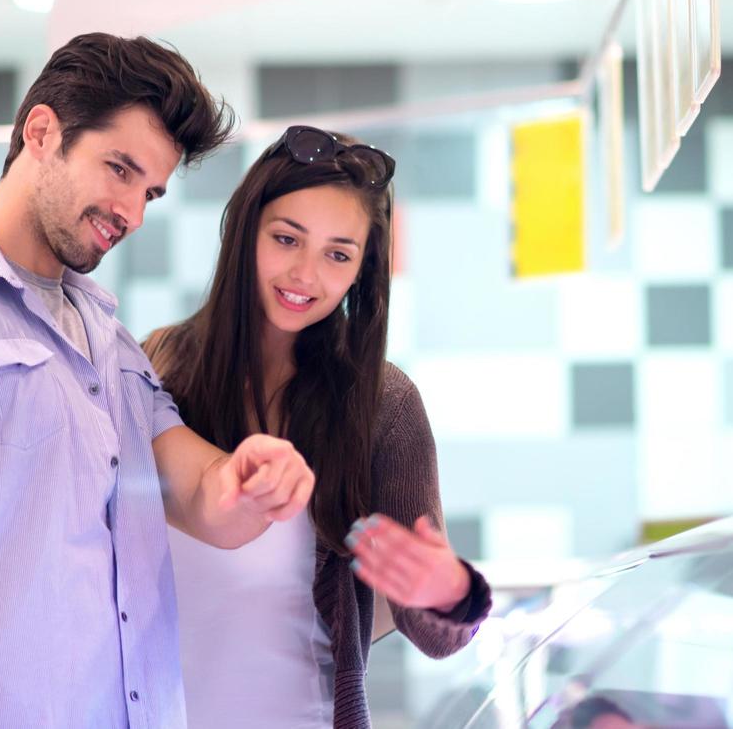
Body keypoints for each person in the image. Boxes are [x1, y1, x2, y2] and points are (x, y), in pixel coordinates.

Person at [0, 33, 316, 729]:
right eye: (119, 169)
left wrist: (253, 475)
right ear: (42, 132)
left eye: (150, 191)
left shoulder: (108, 340)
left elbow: (202, 495)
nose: (133, 213)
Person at [145, 125, 492, 729]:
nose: (306, 274)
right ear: (245, 230)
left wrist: (449, 590)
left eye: (338, 254)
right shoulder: (159, 364)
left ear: (362, 269)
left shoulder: (383, 403)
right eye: (286, 239)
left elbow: (438, 638)